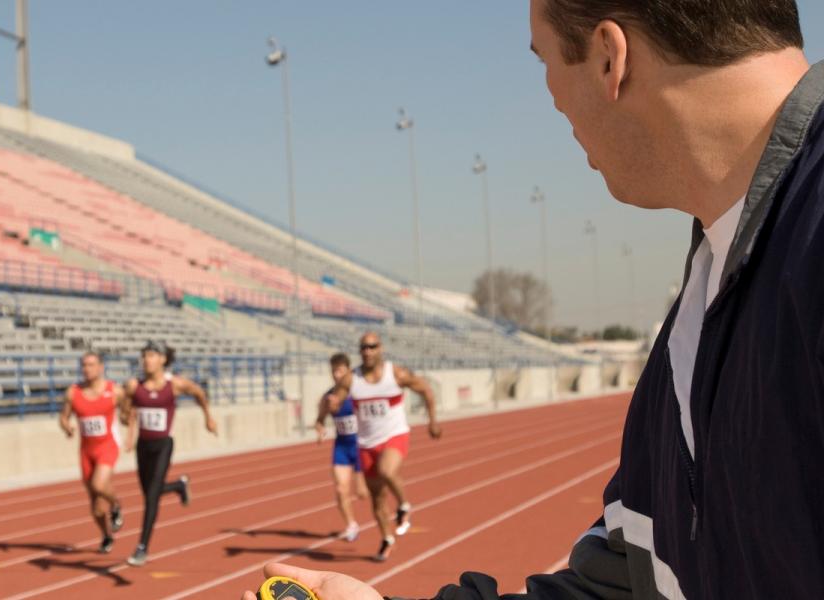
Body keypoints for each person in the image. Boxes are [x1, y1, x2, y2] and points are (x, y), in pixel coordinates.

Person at [245, 1, 824, 598]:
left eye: (542, 60)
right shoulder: (703, 304)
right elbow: (625, 585)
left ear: (608, 57)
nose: (551, 101)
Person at [329, 332, 442, 561]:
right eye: (364, 347)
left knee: (387, 471)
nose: (368, 351)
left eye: (372, 346)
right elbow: (333, 399)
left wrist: (432, 422)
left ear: (381, 348)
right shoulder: (353, 379)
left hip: (394, 434)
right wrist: (323, 418)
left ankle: (404, 505)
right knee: (377, 498)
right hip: (366, 444)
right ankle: (387, 538)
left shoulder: (396, 374)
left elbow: (426, 390)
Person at [123, 340, 218, 567]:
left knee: (152, 498)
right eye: (144, 355)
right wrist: (128, 428)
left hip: (163, 445)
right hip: (143, 446)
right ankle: (179, 485)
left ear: (163, 359)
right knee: (149, 493)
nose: (147, 360)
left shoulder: (174, 384)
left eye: (152, 355)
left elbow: (198, 392)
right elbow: (128, 410)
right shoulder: (134, 386)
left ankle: (142, 547)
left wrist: (208, 416)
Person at [59, 351, 131, 554]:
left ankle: (116, 504)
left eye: (91, 365)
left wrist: (130, 432)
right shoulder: (73, 392)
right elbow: (63, 417)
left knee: (99, 484)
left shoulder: (114, 391)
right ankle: (107, 535)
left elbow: (129, 413)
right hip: (86, 451)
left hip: (107, 445)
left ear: (101, 367)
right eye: (84, 365)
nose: (86, 369)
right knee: (96, 507)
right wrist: (67, 427)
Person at [314, 352, 369, 543]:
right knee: (340, 489)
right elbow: (320, 419)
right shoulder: (328, 397)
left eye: (340, 371)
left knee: (366, 492)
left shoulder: (358, 393)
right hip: (342, 447)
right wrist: (320, 429)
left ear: (348, 371)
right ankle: (351, 524)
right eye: (333, 371)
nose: (336, 375)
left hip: (363, 447)